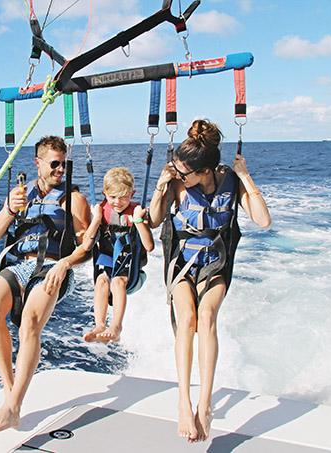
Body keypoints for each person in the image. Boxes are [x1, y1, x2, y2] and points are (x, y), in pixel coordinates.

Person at [148, 119, 271, 443]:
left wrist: (245, 176)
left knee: (207, 316)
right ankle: (184, 403)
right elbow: (155, 218)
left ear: (204, 171)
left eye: (183, 172)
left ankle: (205, 405)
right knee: (187, 317)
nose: (179, 175)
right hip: (182, 263)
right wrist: (162, 185)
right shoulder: (177, 184)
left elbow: (263, 219)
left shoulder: (230, 182)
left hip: (215, 264)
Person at [0, 135, 91, 432]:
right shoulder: (19, 195)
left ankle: (13, 408)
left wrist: (64, 265)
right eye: (54, 164)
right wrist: (9, 210)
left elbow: (87, 247)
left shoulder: (72, 199)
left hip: (53, 268)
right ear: (38, 163)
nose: (59, 170)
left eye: (63, 164)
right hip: (20, 265)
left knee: (29, 323)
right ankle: (9, 391)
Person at [82, 167, 154, 343]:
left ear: (132, 194)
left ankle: (116, 325)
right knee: (101, 281)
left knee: (116, 281)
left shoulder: (137, 211)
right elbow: (86, 245)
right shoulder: (100, 211)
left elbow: (149, 246)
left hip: (131, 270)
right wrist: (97, 219)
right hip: (108, 263)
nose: (118, 202)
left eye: (123, 196)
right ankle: (100, 325)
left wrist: (138, 221)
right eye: (113, 197)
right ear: (105, 194)